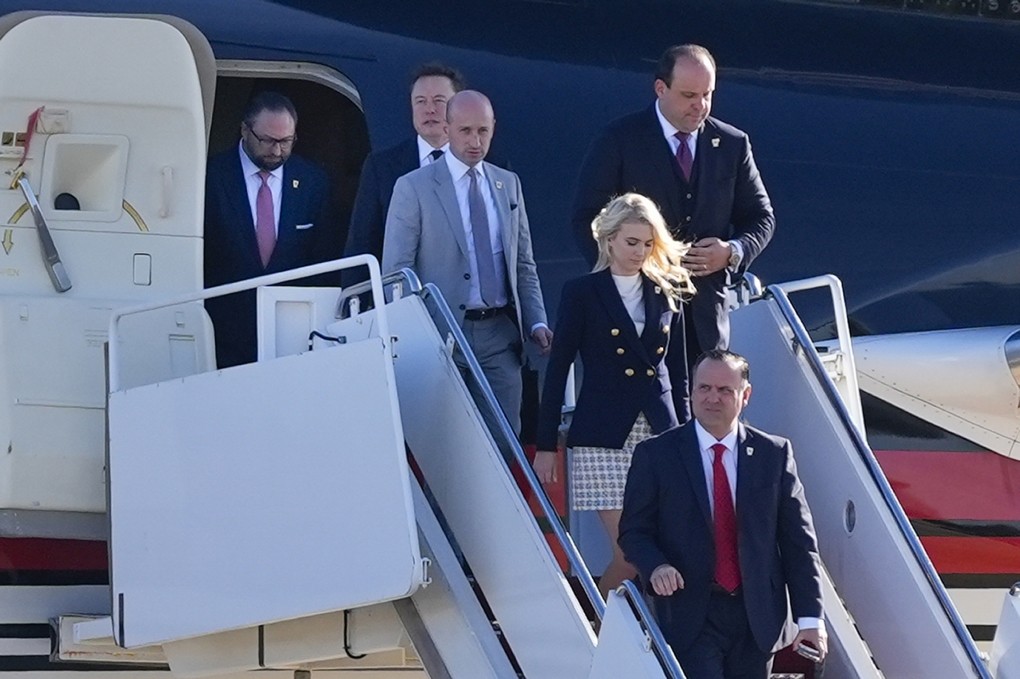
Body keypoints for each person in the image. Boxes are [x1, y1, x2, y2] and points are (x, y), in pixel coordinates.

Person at [619, 350, 826, 678]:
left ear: (745, 395)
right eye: (704, 388)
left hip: (757, 616)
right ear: (691, 392)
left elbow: (799, 543)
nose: (712, 398)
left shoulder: (773, 454)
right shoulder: (656, 455)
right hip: (689, 613)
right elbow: (633, 530)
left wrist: (811, 618)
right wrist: (656, 565)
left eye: (724, 390)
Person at [533, 192, 694, 599]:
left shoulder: (665, 291)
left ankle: (642, 637)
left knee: (667, 546)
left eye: (647, 243)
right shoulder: (583, 292)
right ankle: (601, 633)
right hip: (603, 435)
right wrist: (547, 443)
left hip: (659, 431)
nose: (639, 252)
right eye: (631, 242)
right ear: (608, 240)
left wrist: (691, 434)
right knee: (631, 552)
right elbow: (559, 367)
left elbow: (679, 372)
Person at [571, 44, 775, 362]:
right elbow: (587, 218)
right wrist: (623, 275)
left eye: (707, 95)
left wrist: (732, 252)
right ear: (660, 89)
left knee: (703, 407)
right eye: (689, 96)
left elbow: (761, 217)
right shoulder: (620, 140)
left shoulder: (732, 144)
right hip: (640, 315)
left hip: (707, 319)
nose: (700, 106)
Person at [382, 90, 552, 434]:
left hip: (500, 334)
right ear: (446, 129)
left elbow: (523, 264)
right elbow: (396, 274)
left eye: (483, 131)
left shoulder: (508, 184)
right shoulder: (414, 187)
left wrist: (536, 322)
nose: (475, 141)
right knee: (444, 446)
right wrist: (418, 334)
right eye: (465, 131)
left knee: (506, 441)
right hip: (440, 333)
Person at [204, 91, 333, 368]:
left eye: (286, 141)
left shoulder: (313, 182)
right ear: (244, 130)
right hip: (223, 334)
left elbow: (323, 259)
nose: (277, 151)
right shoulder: (211, 178)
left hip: (292, 335)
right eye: (267, 140)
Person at [342, 62, 466, 286]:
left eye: (439, 101)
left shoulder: (487, 167)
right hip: (404, 302)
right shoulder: (381, 167)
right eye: (421, 102)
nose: (430, 109)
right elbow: (361, 244)